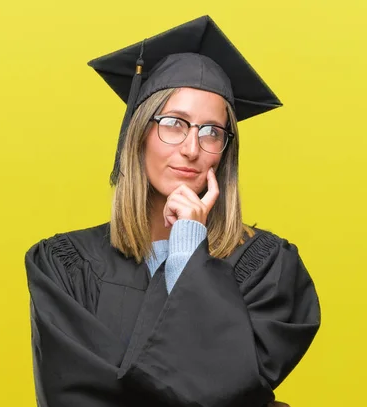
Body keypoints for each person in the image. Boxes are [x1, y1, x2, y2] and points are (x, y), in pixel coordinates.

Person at [24, 15, 320, 407]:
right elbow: (73, 394)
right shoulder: (66, 266)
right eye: (174, 123)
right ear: (139, 132)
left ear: (225, 151)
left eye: (212, 131)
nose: (192, 148)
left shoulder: (267, 267)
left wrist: (187, 251)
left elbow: (234, 389)